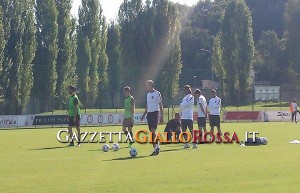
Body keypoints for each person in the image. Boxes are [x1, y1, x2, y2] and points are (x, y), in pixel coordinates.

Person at [141, 80, 164, 156]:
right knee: (151, 133)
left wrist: (162, 116)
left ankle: (157, 147)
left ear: (151, 85)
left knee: (153, 131)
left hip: (155, 114)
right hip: (149, 115)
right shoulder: (147, 95)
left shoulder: (157, 93)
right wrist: (144, 114)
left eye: (147, 85)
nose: (146, 87)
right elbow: (147, 106)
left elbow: (160, 105)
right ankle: (155, 148)